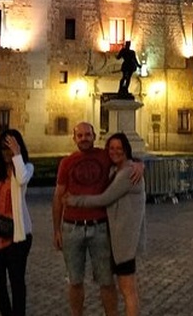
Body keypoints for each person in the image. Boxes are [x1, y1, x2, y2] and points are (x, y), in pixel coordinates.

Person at [52, 122, 144, 316]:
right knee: (75, 280)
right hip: (72, 228)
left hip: (100, 228)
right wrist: (57, 229)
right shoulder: (66, 163)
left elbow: (123, 158)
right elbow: (58, 196)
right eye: (80, 135)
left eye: (88, 134)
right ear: (74, 138)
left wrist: (140, 164)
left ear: (95, 136)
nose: (84, 138)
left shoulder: (104, 156)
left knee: (106, 281)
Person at [0, 129, 34, 316]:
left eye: (11, 148)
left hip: (18, 235)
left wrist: (17, 154)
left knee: (16, 280)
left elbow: (23, 178)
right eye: (4, 148)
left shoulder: (26, 168)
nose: (7, 153)